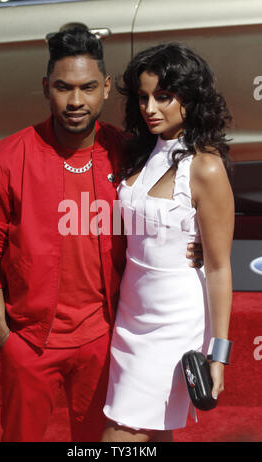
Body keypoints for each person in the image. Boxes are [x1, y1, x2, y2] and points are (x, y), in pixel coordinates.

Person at [0, 28, 203, 442]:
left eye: (88, 87)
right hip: (30, 341)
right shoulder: (2, 160)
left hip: (105, 339)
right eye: (64, 87)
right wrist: (6, 337)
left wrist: (193, 241)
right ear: (46, 88)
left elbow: (169, 205)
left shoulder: (130, 153)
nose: (76, 101)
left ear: (107, 88)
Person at [101, 42, 234, 442]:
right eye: (143, 97)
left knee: (121, 433)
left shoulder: (206, 167)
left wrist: (218, 354)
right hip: (131, 312)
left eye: (163, 96)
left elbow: (219, 266)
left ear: (189, 100)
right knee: (156, 431)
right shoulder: (143, 153)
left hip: (175, 318)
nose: (150, 108)